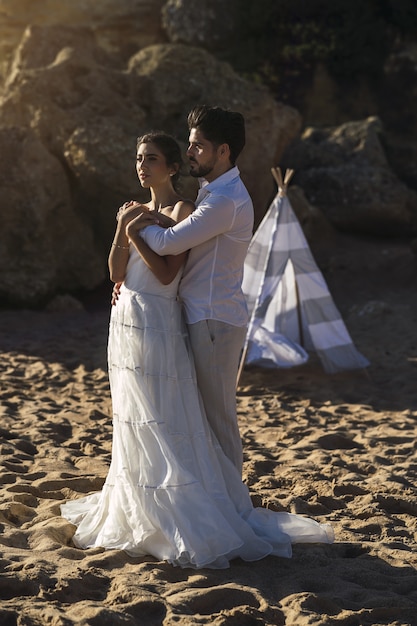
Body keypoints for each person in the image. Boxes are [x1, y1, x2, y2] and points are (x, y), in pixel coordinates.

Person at [60, 130, 333, 569]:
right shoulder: (135, 210)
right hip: (125, 320)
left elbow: (168, 273)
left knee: (164, 414)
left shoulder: (182, 210)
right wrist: (122, 227)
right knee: (132, 416)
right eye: (138, 158)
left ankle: (180, 507)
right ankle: (139, 500)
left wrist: (139, 231)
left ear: (171, 167)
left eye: (151, 158)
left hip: (158, 320)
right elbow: (115, 272)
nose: (142, 166)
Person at [136, 105, 254, 475]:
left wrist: (134, 223)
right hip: (199, 315)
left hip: (214, 319)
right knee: (200, 418)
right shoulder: (211, 191)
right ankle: (220, 499)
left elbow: (169, 243)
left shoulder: (225, 200)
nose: (190, 153)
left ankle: (234, 505)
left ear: (224, 151)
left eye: (199, 146)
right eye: (190, 144)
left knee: (218, 418)